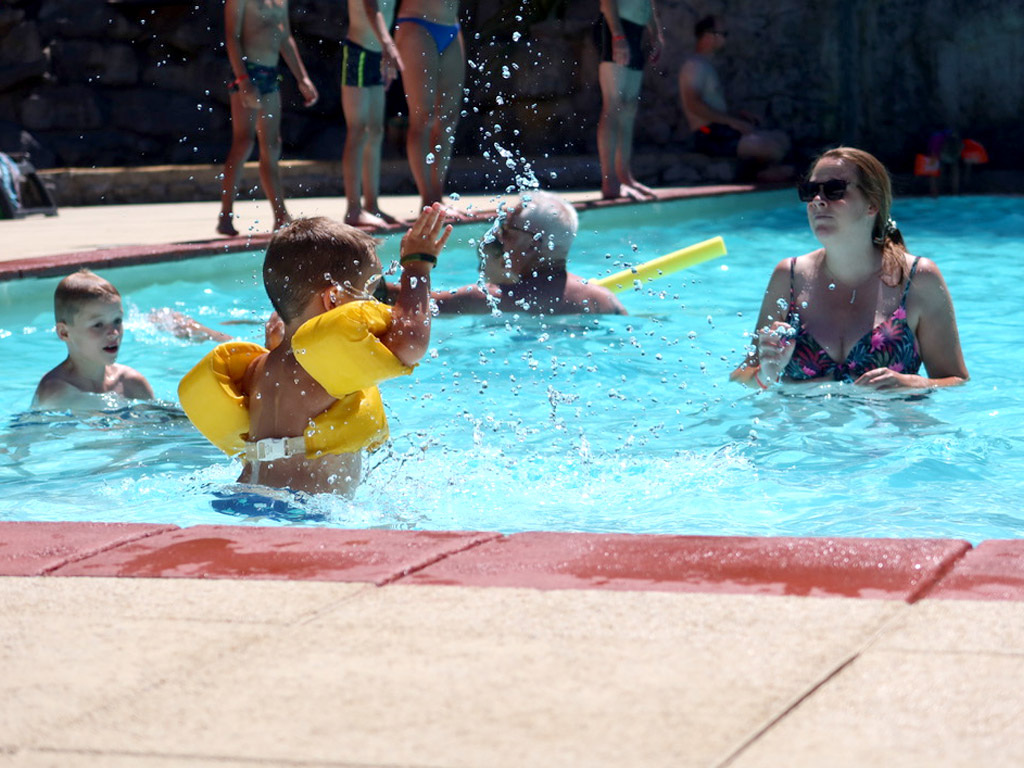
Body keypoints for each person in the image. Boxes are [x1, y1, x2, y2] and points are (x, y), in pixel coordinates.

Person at [180, 204, 452, 496]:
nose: (375, 307)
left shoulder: (261, 366)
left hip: (249, 498)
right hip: (301, 513)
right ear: (333, 299)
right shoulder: (321, 364)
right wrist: (417, 266)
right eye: (369, 295)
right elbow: (411, 342)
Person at [731, 146, 968, 390]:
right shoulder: (789, 276)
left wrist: (912, 383)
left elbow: (956, 380)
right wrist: (766, 373)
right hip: (802, 416)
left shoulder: (917, 278)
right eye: (810, 191)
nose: (817, 201)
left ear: (872, 204)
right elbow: (740, 378)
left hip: (890, 416)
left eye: (834, 190)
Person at [423, 191, 627, 315]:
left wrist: (417, 261)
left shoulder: (491, 299)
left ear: (533, 244)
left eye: (507, 230)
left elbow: (418, 307)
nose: (499, 237)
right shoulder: (606, 301)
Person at [217, 0, 320, 237]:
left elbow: (285, 37)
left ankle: (280, 216)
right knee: (244, 142)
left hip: (270, 75)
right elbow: (232, 37)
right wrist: (243, 80)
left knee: (272, 145)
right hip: (248, 73)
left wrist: (302, 78)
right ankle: (226, 214)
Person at [678, 15, 791, 181]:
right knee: (773, 148)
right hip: (707, 135)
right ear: (708, 36)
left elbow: (713, 105)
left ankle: (764, 169)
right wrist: (732, 122)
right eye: (723, 34)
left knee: (782, 139)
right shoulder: (694, 66)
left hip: (721, 131)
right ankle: (760, 173)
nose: (725, 38)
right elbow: (693, 104)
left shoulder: (705, 65)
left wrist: (737, 116)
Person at [33, 270, 155, 410]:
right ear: (64, 332)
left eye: (117, 321)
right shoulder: (55, 392)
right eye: (98, 325)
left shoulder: (131, 383)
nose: (113, 333)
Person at [390, 0, 467, 215]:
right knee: (423, 118)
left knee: (448, 118)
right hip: (417, 25)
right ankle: (428, 200)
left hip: (451, 26)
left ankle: (438, 197)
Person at [595, 0, 664, 201]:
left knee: (628, 107)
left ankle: (625, 176)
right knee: (614, 104)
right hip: (615, 27)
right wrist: (617, 35)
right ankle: (609, 181)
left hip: (636, 30)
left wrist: (656, 34)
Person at [342, 0, 403, 228]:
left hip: (377, 54)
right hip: (358, 52)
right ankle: (353, 209)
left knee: (376, 131)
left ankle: (372, 205)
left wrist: (386, 50)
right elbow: (370, 7)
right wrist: (389, 45)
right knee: (358, 130)